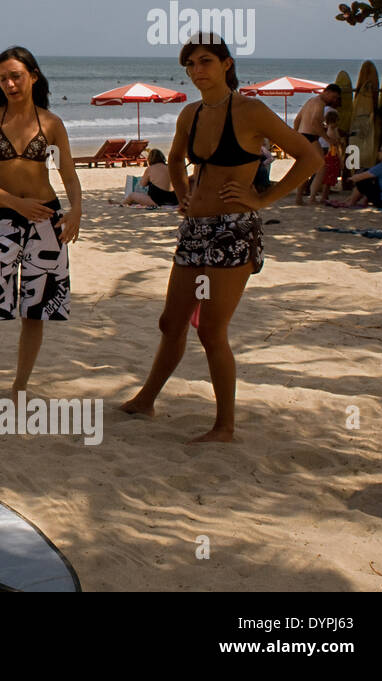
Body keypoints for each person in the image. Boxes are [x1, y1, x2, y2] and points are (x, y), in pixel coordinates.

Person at [119, 34, 321, 442]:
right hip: (195, 228)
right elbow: (175, 158)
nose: (197, 70)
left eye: (206, 61)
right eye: (190, 64)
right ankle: (146, 399)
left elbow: (310, 157)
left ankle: (224, 426)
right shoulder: (190, 114)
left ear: (227, 64)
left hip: (234, 229)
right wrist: (181, 195)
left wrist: (263, 198)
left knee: (211, 330)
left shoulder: (251, 111)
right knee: (170, 321)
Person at [0, 46, 81, 407]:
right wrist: (16, 203)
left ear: (33, 76)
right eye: (3, 78)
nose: (9, 83)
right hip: (2, 222)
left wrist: (77, 210)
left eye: (16, 76)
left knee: (34, 311)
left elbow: (67, 173)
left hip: (47, 222)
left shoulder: (51, 123)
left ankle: (19, 387)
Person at [293, 84, 342, 204]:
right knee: (322, 166)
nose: (334, 100)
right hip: (310, 137)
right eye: (334, 97)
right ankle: (312, 197)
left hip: (303, 135)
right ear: (327, 92)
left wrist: (296, 135)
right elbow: (315, 122)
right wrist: (328, 139)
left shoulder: (310, 101)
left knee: (308, 167)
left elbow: (297, 119)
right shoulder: (320, 103)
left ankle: (299, 197)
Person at [342, 141, 382, 210]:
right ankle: (363, 201)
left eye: (381, 151)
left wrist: (351, 178)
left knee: (362, 182)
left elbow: (359, 178)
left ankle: (351, 202)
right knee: (377, 180)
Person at [308, 109, 343, 206]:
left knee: (325, 177)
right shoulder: (332, 131)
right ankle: (322, 196)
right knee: (328, 177)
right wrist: (340, 158)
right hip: (331, 155)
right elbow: (335, 145)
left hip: (327, 153)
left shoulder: (325, 130)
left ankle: (322, 196)